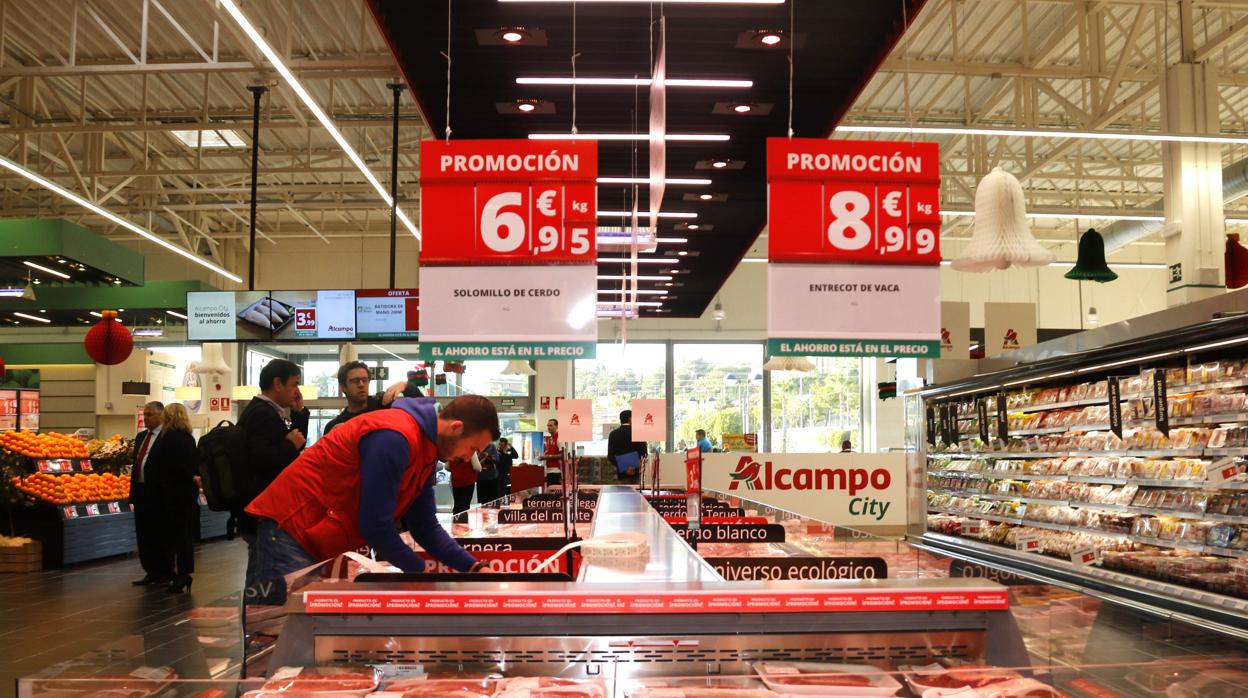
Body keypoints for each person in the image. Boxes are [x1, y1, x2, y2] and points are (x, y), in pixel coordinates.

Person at [245, 395, 499, 586]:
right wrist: (422, 576)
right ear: (455, 428)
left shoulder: (426, 451)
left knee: (303, 634)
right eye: (473, 448)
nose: (469, 458)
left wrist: (474, 566)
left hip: (319, 537)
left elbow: (425, 526)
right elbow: (376, 526)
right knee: (274, 631)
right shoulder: (394, 436)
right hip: (291, 529)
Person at [237, 358, 306, 581]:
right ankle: (257, 612)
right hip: (260, 508)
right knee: (262, 570)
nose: (296, 391)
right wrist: (288, 445)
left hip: (259, 508)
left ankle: (258, 610)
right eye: (294, 384)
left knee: (263, 565)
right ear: (278, 384)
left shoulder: (264, 411)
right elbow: (262, 460)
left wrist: (299, 414)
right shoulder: (262, 414)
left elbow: (292, 445)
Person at [150, 403, 199, 594]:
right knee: (185, 536)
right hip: (188, 492)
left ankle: (180, 575)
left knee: (175, 535)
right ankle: (185, 572)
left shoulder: (167, 438)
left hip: (172, 492)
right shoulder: (188, 437)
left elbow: (169, 466)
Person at [130, 401, 172, 586]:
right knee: (143, 533)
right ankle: (150, 571)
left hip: (159, 493)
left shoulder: (168, 437)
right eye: (144, 414)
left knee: (161, 534)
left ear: (161, 416)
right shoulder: (140, 437)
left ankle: (165, 571)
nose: (145, 418)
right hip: (140, 491)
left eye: (149, 414)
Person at [324, 361, 382, 435]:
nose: (361, 384)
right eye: (355, 381)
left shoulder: (383, 407)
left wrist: (401, 387)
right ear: (343, 387)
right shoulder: (335, 426)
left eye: (365, 380)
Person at [607, 410, 647, 484]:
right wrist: (634, 467)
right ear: (630, 419)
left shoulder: (613, 434)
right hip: (636, 474)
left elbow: (610, 456)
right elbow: (644, 453)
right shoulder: (639, 433)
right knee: (636, 494)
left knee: (623, 494)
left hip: (622, 474)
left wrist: (625, 468)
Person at [449, 452, 479, 521]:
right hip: (468, 481)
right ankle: (463, 524)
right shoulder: (471, 450)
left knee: (457, 504)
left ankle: (456, 523)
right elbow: (476, 467)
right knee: (465, 505)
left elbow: (447, 467)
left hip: (455, 481)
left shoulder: (452, 450)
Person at [540, 418, 563, 486]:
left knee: (555, 493)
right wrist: (544, 457)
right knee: (550, 492)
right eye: (548, 426)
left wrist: (547, 457)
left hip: (556, 471)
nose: (549, 427)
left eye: (551, 426)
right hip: (548, 470)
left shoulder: (559, 438)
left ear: (556, 426)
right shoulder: (549, 439)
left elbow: (562, 455)